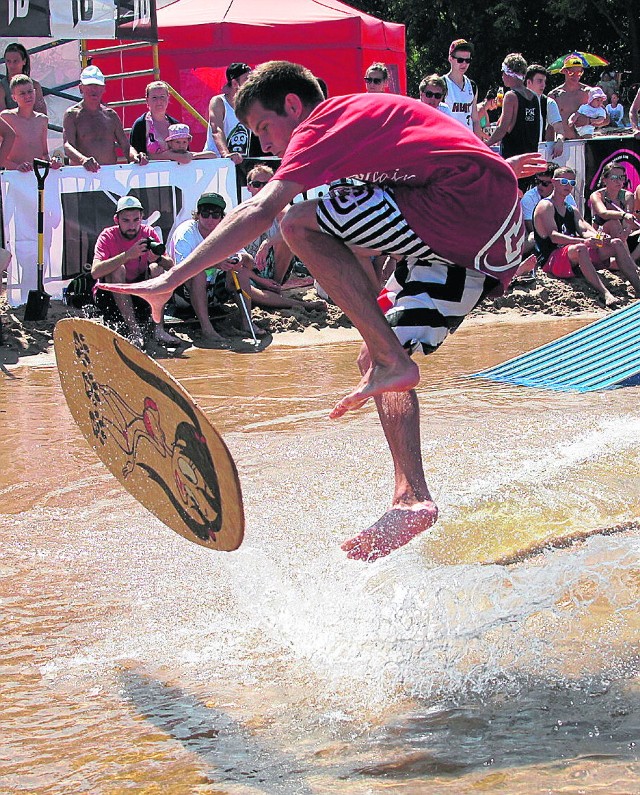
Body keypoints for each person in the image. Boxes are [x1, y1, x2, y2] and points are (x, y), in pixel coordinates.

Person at [100, 60, 543, 563]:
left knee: (297, 222)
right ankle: (412, 498)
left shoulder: (323, 122)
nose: (266, 145)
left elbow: (258, 211)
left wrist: (170, 278)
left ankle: (395, 375)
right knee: (377, 358)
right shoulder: (364, 121)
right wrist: (501, 167)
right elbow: (441, 145)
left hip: (459, 213)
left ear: (293, 105)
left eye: (265, 128)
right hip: (478, 243)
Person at [534, 166, 640, 307]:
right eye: (564, 181)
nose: (568, 186)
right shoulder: (546, 205)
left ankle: (638, 287)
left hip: (573, 254)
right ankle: (605, 293)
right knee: (581, 248)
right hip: (551, 259)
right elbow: (554, 237)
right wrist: (586, 240)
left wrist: (599, 237)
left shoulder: (571, 209)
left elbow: (585, 230)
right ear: (554, 181)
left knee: (616, 243)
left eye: (572, 183)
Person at [92, 195, 180, 347]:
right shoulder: (107, 236)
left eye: (136, 220)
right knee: (117, 270)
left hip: (139, 295)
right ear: (116, 220)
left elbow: (170, 265)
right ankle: (135, 331)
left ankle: (158, 328)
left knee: (156, 268)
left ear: (142, 218)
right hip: (111, 296)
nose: (132, 226)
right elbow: (95, 272)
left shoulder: (148, 232)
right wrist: (127, 255)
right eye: (126, 220)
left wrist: (157, 259)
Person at [63, 65, 148, 171]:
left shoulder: (111, 115)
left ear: (103, 88)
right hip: (82, 175)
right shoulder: (72, 115)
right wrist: (83, 160)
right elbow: (68, 146)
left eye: (98, 85)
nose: (94, 89)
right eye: (90, 85)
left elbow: (126, 146)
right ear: (81, 88)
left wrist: (135, 156)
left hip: (109, 175)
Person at [0, 75, 62, 171]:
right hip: (14, 176)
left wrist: (52, 163)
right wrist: (17, 167)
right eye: (22, 93)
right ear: (14, 97)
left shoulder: (42, 119)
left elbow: (44, 153)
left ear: (34, 92)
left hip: (37, 176)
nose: (27, 96)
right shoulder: (6, 117)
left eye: (30, 92)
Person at [486, 53, 541, 159]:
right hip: (531, 155)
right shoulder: (534, 96)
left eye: (503, 72)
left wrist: (485, 145)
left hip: (514, 156)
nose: (502, 76)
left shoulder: (511, 96)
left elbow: (502, 129)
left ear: (509, 74)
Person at [519, 162, 577, 255]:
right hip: (540, 238)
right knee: (533, 237)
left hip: (561, 237)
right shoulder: (529, 198)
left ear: (554, 183)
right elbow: (531, 228)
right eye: (537, 182)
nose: (540, 186)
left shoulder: (567, 197)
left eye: (545, 183)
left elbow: (575, 223)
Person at [204, 62, 252, 163]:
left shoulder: (250, 104)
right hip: (217, 162)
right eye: (247, 80)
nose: (251, 83)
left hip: (241, 162)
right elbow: (216, 130)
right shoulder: (219, 102)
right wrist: (226, 154)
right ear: (235, 83)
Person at [129, 80, 179, 159]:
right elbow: (134, 151)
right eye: (154, 97)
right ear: (147, 100)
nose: (159, 101)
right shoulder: (141, 124)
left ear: (168, 98)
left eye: (162, 97)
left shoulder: (176, 125)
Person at [523, 64, 565, 158]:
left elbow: (559, 130)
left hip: (537, 152)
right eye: (539, 81)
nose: (543, 85)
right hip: (517, 152)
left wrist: (559, 141)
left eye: (544, 81)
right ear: (529, 82)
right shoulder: (515, 99)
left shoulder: (548, 103)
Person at [589, 162, 636, 242]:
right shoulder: (597, 195)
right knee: (614, 223)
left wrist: (626, 233)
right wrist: (624, 215)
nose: (619, 181)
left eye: (622, 177)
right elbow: (603, 213)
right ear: (604, 180)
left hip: (621, 237)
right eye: (614, 177)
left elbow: (628, 222)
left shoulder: (628, 196)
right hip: (600, 238)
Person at [443, 39, 481, 137]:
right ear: (450, 58)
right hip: (448, 140)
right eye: (460, 60)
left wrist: (479, 145)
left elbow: (475, 120)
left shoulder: (472, 86)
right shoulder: (441, 84)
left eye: (467, 60)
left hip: (467, 142)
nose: (464, 64)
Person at [548, 56, 590, 139]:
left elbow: (606, 119)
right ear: (564, 71)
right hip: (564, 143)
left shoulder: (589, 92)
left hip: (585, 142)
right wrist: (550, 146)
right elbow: (550, 126)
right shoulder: (554, 95)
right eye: (571, 72)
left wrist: (590, 121)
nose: (576, 75)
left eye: (579, 72)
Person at [0, 43, 46, 114]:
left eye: (15, 61)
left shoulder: (35, 86)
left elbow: (42, 114)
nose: (12, 65)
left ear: (24, 61)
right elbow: (2, 117)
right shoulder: (2, 86)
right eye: (8, 61)